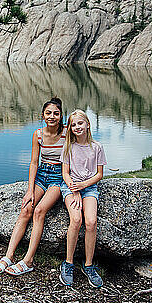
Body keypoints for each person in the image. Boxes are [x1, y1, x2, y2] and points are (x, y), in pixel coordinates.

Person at [0, 97, 66, 276]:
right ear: (42, 115)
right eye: (48, 113)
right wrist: (29, 190)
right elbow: (34, 163)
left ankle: (28, 260)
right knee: (26, 209)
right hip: (42, 175)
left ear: (61, 115)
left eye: (56, 113)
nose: (52, 116)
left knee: (40, 211)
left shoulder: (67, 133)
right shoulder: (38, 134)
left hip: (58, 177)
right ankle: (9, 256)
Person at [58, 109, 105, 288]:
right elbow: (65, 173)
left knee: (91, 222)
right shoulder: (68, 147)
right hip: (70, 187)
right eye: (73, 124)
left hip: (89, 188)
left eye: (80, 123)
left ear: (87, 125)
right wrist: (74, 189)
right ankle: (68, 263)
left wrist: (83, 186)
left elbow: (99, 174)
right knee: (76, 219)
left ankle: (88, 265)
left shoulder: (97, 147)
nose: (77, 127)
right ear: (69, 128)